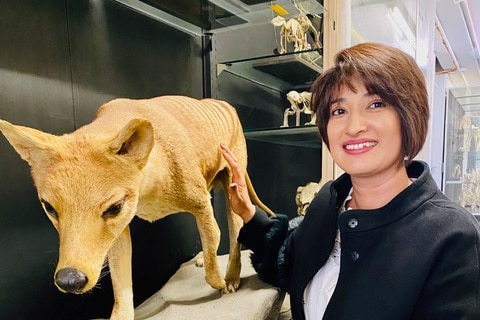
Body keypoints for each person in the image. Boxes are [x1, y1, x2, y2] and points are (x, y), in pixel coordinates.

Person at [220, 42, 480, 320]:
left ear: (409, 116)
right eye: (339, 111)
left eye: (376, 104)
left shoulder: (454, 238)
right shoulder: (330, 200)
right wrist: (249, 213)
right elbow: (290, 264)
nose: (354, 126)